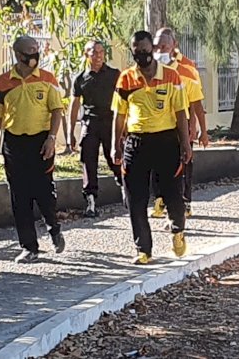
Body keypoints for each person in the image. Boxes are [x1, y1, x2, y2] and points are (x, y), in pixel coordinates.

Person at [111, 30, 192, 264]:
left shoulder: (171, 76)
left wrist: (185, 143)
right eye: (137, 53)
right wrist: (116, 144)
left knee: (172, 193)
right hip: (136, 143)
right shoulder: (126, 78)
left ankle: (177, 230)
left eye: (146, 51)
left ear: (153, 50)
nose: (142, 56)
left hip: (166, 142)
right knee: (135, 198)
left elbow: (180, 113)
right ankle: (143, 249)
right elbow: (119, 115)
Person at [0, 35, 66, 263]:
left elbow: (57, 110)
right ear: (18, 55)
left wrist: (52, 138)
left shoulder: (47, 79)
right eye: (30, 50)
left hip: (40, 141)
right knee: (19, 195)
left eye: (36, 49)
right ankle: (29, 246)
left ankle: (53, 226)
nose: (35, 54)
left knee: (43, 190)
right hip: (14, 143)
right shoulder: (3, 82)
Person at [151, 28, 209, 218]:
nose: (160, 50)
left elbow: (196, 103)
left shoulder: (187, 70)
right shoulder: (148, 70)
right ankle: (160, 199)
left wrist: (199, 128)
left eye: (164, 46)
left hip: (181, 124)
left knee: (184, 163)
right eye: (156, 47)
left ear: (174, 46)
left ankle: (185, 201)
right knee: (157, 163)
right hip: (158, 124)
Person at [67, 39, 121, 218]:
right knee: (88, 161)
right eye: (93, 52)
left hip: (111, 121)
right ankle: (90, 201)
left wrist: (125, 125)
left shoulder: (114, 74)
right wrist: (70, 134)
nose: (98, 55)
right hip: (90, 123)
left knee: (114, 158)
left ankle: (125, 190)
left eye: (100, 52)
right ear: (86, 55)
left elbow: (125, 100)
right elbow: (74, 106)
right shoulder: (80, 78)